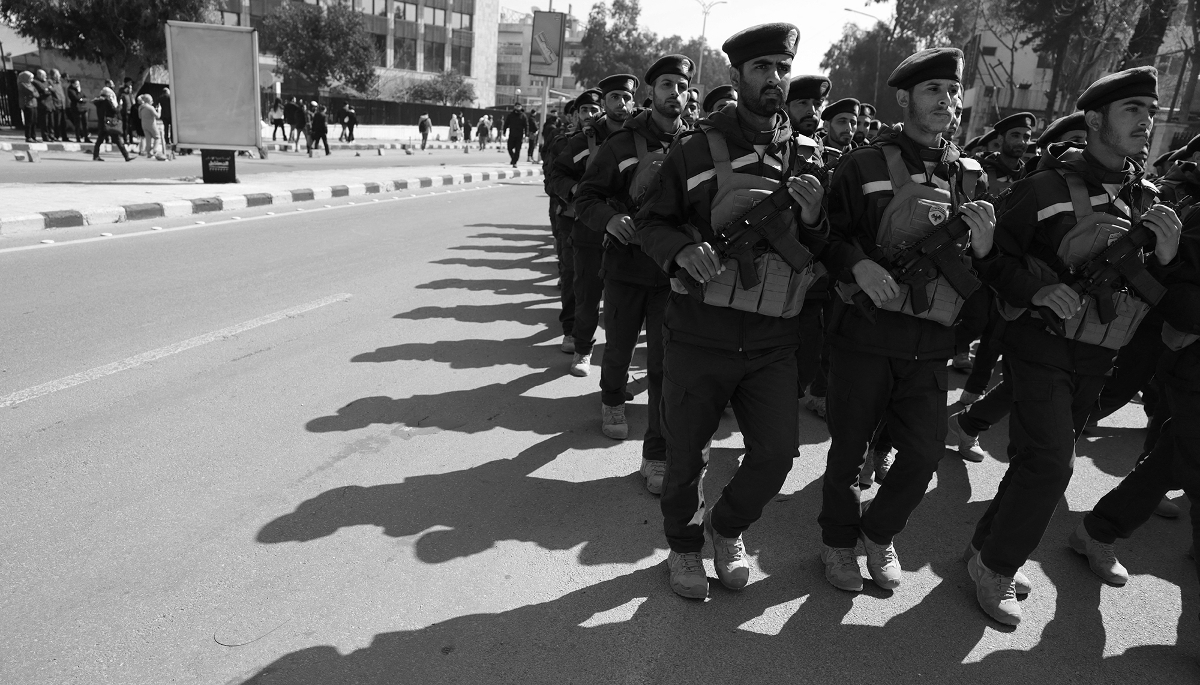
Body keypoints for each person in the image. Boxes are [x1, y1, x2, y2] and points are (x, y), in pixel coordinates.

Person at [963, 66, 1181, 626]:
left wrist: (1168, 256)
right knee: (1054, 464)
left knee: (1035, 460)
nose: (1146, 120)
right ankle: (997, 568)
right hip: (1039, 344)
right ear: (1093, 120)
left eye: (1150, 111)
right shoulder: (1043, 188)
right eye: (1132, 109)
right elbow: (991, 261)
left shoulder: (1148, 196)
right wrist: (1040, 289)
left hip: (1101, 354)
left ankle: (983, 549)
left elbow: (1158, 290)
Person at [638, 23, 828, 599]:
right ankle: (684, 547)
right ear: (737, 76)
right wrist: (681, 249)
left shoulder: (810, 155)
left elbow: (824, 247)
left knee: (776, 453)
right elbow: (650, 221)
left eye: (781, 68)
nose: (774, 78)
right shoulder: (695, 148)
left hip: (773, 337)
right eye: (762, 68)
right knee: (686, 455)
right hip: (700, 331)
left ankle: (727, 528)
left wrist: (817, 218)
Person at [818, 47, 995, 596]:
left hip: (931, 343)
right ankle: (838, 543)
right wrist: (857, 263)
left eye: (952, 91)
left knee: (921, 453)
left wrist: (988, 247)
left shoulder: (969, 173)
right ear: (904, 99)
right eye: (933, 91)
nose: (947, 101)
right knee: (848, 452)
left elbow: (985, 263)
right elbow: (823, 234)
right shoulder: (864, 164)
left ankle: (880, 532)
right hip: (866, 337)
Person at [1070, 137, 1199, 590]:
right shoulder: (1193, 211)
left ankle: (1098, 530)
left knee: (1172, 459)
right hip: (1187, 363)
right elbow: (1177, 295)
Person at [573, 54, 693, 493]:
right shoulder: (622, 143)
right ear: (651, 92)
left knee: (664, 365)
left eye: (680, 86)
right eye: (665, 85)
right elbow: (586, 196)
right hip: (625, 269)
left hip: (669, 275)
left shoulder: (696, 144)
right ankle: (611, 400)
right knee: (620, 347)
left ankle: (655, 455)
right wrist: (607, 218)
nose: (673, 94)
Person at [550, 75, 637, 377]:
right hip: (589, 231)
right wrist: (577, 193)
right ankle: (583, 350)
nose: (621, 104)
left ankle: (617, 367)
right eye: (614, 97)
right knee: (587, 295)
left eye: (626, 98)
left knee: (624, 304)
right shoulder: (585, 140)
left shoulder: (643, 136)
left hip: (630, 234)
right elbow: (556, 176)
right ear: (605, 102)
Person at [786, 74, 835, 419]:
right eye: (803, 102)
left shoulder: (828, 155)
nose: (812, 110)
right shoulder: (775, 147)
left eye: (817, 104)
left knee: (805, 361)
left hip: (812, 277)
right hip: (766, 270)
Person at [545, 95, 594, 354]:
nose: (588, 114)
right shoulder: (564, 143)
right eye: (583, 109)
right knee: (572, 275)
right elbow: (552, 178)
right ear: (575, 114)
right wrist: (572, 193)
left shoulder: (617, 143)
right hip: (570, 217)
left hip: (604, 223)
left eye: (593, 109)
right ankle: (572, 332)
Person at [980, 112, 1035, 196]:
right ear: (1001, 139)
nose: (1021, 142)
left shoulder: (1028, 176)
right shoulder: (981, 170)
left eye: (1026, 137)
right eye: (1015, 135)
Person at [92, 87, 133, 162]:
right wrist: (120, 105)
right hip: (110, 123)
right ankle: (126, 156)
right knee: (117, 139)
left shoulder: (99, 101)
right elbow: (115, 111)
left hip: (103, 123)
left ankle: (96, 155)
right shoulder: (107, 101)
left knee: (99, 141)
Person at [818, 97, 859, 167]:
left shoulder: (860, 159)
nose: (849, 128)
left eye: (853, 123)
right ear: (826, 125)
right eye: (842, 122)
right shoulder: (813, 153)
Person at [138, 94, 166, 160]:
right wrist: (159, 110)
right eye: (151, 100)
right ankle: (154, 150)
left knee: (148, 139)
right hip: (151, 124)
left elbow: (140, 116)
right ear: (149, 100)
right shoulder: (150, 107)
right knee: (157, 137)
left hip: (144, 124)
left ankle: (148, 153)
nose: (152, 102)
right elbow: (157, 116)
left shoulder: (140, 107)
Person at [502, 103, 529, 167]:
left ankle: (515, 162)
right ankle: (513, 158)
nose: (518, 107)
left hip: (519, 135)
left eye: (519, 106)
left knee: (517, 149)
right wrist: (504, 131)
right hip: (512, 134)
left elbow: (526, 125)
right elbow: (506, 123)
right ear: (514, 107)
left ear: (521, 107)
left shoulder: (523, 116)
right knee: (509, 148)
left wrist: (526, 134)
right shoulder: (511, 115)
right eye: (517, 106)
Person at [17, 71, 39, 143]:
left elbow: (37, 94)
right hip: (28, 104)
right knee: (29, 121)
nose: (31, 79)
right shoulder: (22, 84)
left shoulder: (31, 84)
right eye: (30, 78)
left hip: (34, 104)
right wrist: (33, 93)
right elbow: (31, 92)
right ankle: (28, 137)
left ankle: (34, 136)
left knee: (34, 121)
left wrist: (34, 93)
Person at [32, 70, 53, 142]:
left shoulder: (47, 82)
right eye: (44, 75)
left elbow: (52, 90)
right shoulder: (35, 82)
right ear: (39, 75)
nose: (46, 76)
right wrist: (47, 90)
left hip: (50, 104)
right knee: (44, 122)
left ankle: (51, 135)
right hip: (43, 104)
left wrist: (48, 90)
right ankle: (45, 136)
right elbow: (44, 91)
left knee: (50, 122)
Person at [67, 79, 91, 143]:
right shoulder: (70, 90)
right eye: (76, 84)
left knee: (85, 124)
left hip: (84, 109)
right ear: (72, 84)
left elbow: (85, 97)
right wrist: (79, 94)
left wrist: (82, 99)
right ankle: (78, 138)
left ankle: (86, 137)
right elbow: (76, 98)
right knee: (77, 124)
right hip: (76, 109)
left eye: (78, 84)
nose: (78, 85)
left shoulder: (80, 90)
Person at [48, 70, 66, 141]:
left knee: (63, 122)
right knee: (56, 122)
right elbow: (52, 90)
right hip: (56, 104)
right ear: (54, 75)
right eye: (58, 74)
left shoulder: (60, 83)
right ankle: (56, 136)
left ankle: (64, 136)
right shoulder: (50, 82)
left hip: (62, 104)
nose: (59, 76)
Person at [118, 77, 136, 145]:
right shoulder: (122, 90)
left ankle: (131, 139)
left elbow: (132, 99)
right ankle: (125, 139)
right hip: (125, 111)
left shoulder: (130, 92)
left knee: (131, 126)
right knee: (125, 126)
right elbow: (119, 98)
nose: (130, 84)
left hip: (131, 110)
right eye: (129, 82)